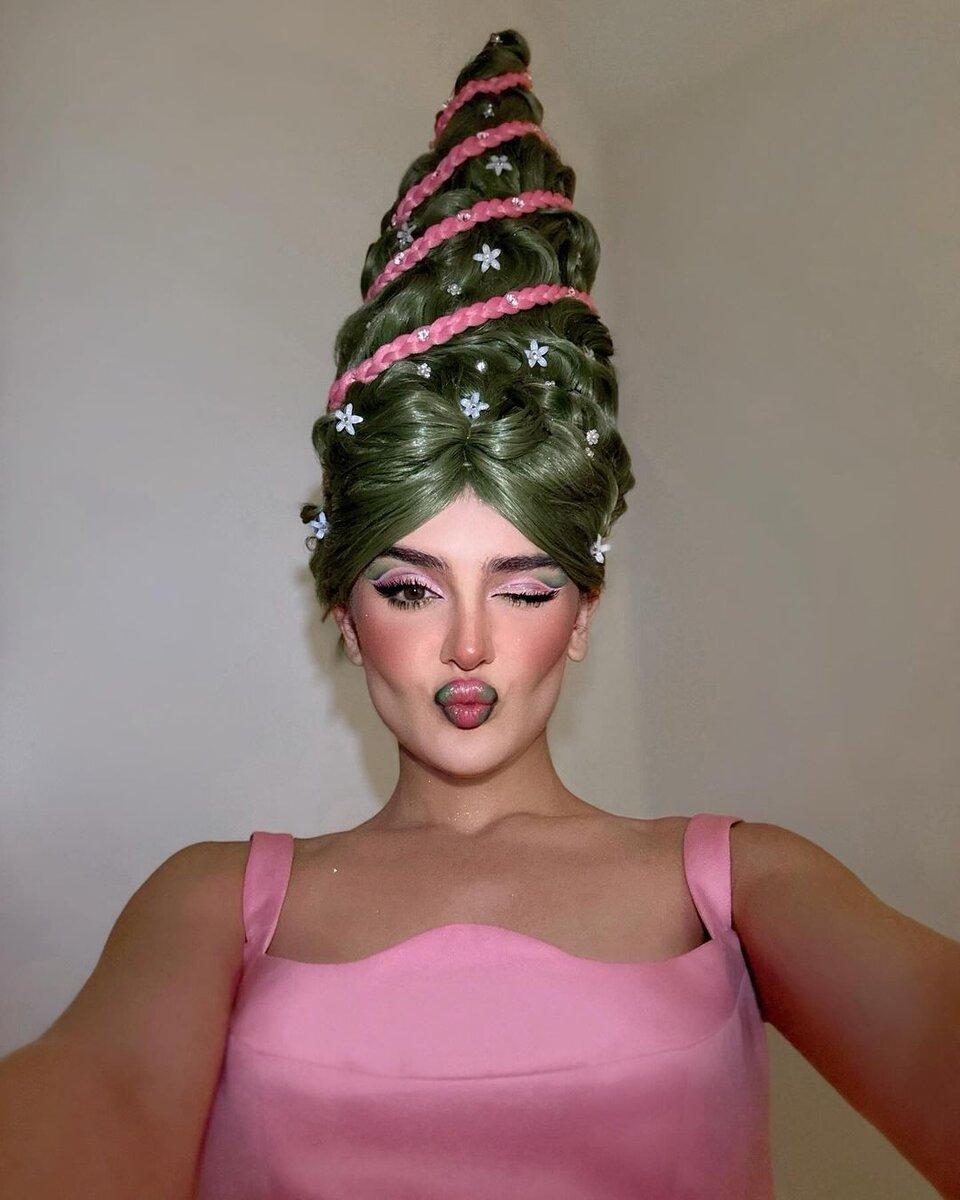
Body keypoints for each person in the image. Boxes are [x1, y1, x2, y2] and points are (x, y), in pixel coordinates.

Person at [2, 27, 958, 1200]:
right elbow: (101, 1092)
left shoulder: (738, 885)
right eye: (410, 587)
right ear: (344, 616)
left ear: (584, 613)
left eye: (525, 587)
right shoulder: (211, 905)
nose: (467, 644)